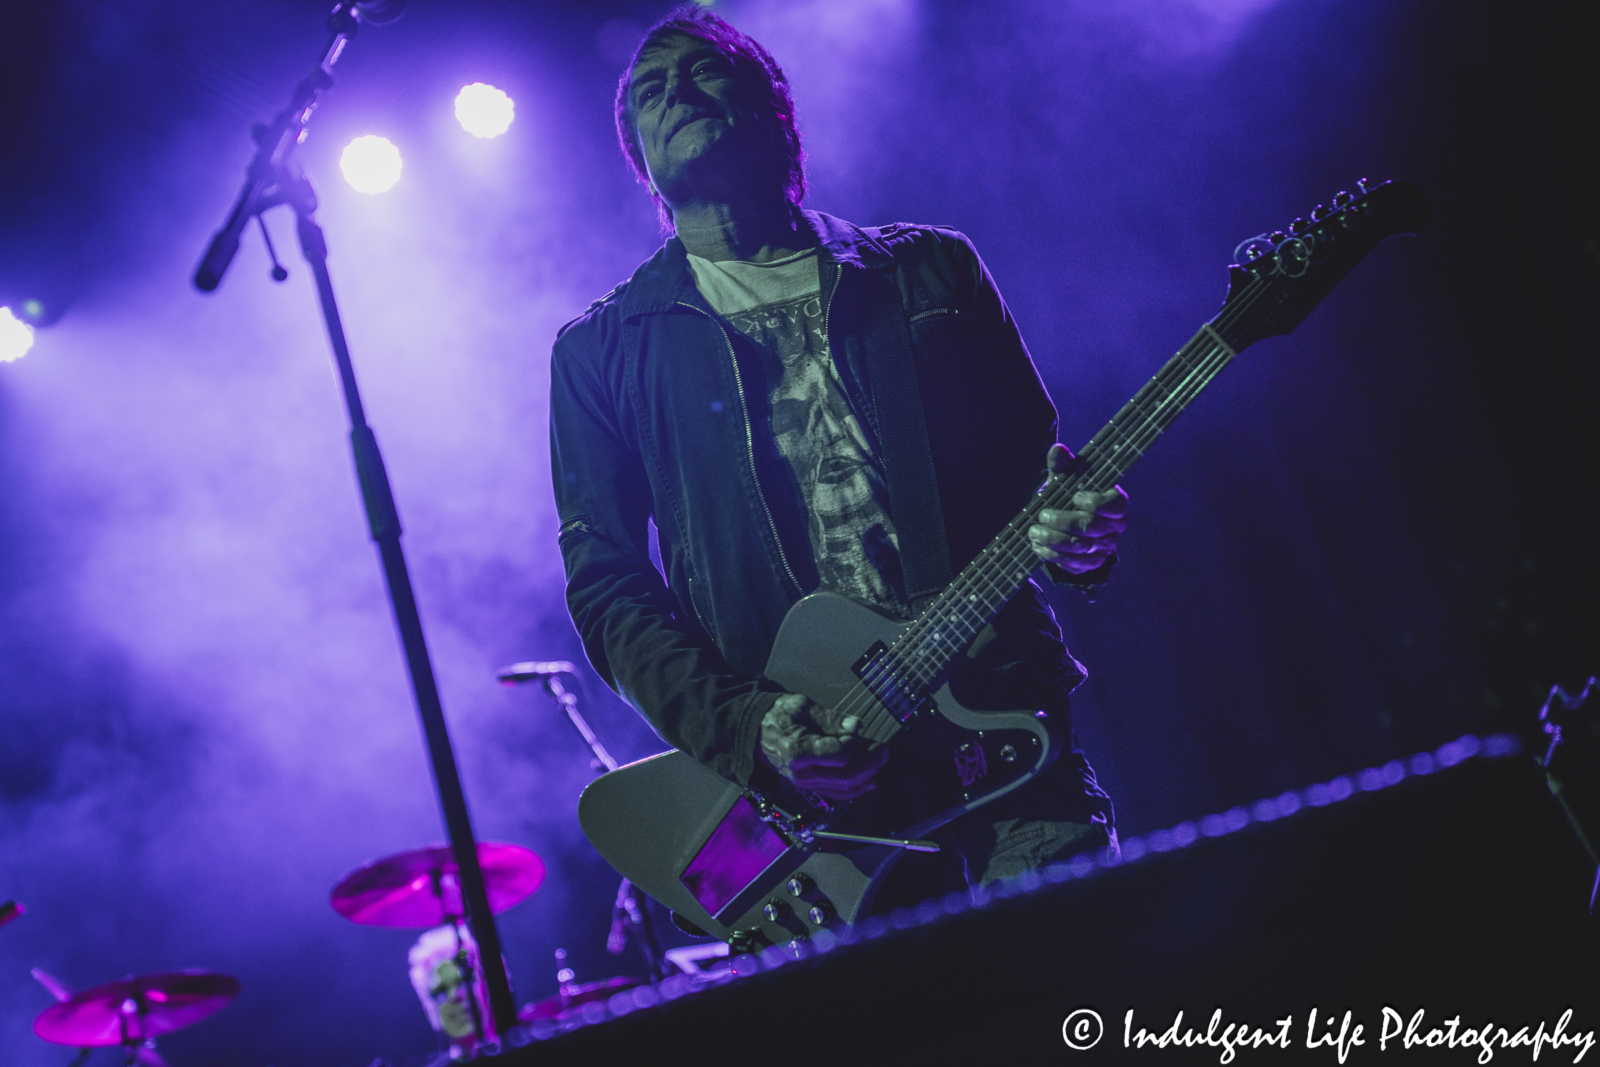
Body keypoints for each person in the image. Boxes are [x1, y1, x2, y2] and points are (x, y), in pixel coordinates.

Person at [549, 6, 1128, 905]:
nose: (678, 94)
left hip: (1000, 727)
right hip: (816, 792)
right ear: (641, 162)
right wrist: (753, 729)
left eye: (705, 72)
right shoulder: (601, 354)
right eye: (652, 92)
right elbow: (609, 588)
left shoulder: (931, 271)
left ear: (774, 110)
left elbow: (1038, 483)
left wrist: (1081, 536)